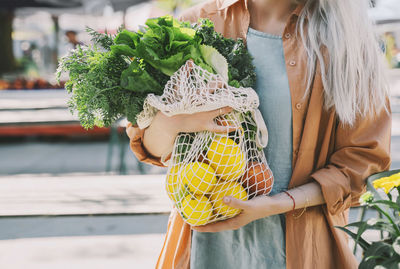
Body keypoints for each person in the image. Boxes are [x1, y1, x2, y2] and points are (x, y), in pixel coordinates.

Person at [126, 0, 392, 268]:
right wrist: (177, 122)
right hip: (204, 245)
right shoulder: (198, 22)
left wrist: (278, 203)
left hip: (303, 248)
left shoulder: (346, 38)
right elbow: (151, 147)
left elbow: (360, 163)